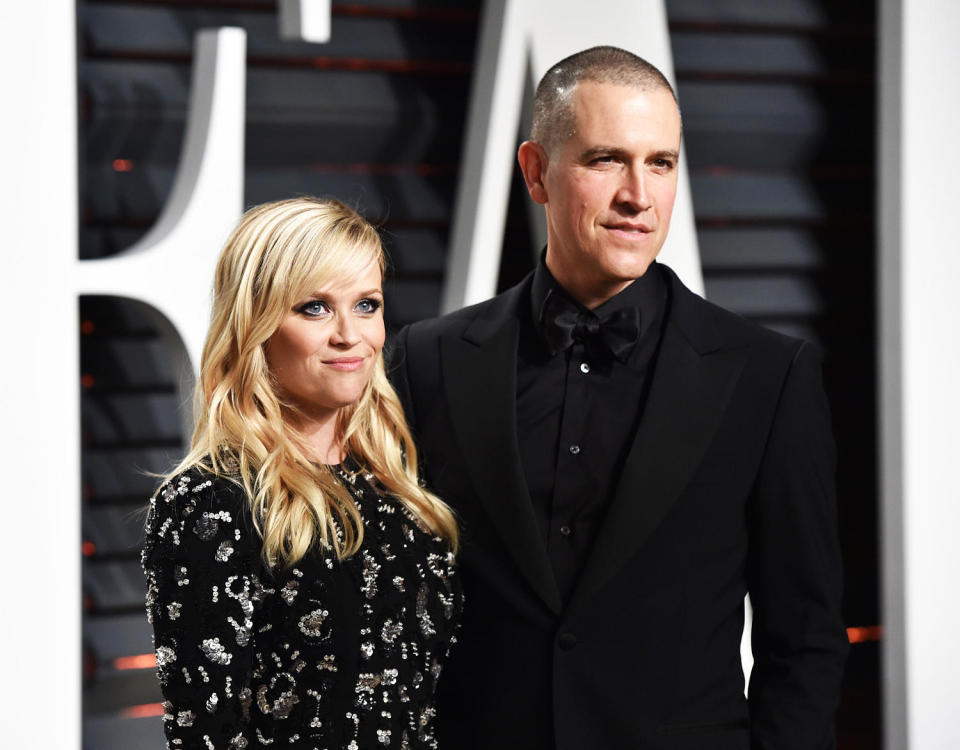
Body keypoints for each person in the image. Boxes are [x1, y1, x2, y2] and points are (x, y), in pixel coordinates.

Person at [389, 46, 847, 749]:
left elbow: (806, 639)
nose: (639, 194)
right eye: (607, 160)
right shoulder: (426, 361)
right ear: (536, 172)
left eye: (661, 163)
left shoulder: (767, 376)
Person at [142, 197, 463, 750]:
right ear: (257, 324)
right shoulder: (208, 502)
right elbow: (206, 735)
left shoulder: (400, 479)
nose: (349, 334)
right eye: (315, 307)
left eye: (366, 305)